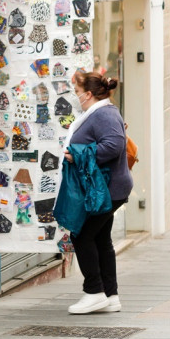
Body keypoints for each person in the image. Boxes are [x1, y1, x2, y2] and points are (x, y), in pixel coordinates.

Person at [63, 72, 133, 314]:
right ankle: (110, 295)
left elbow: (113, 145)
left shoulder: (104, 113)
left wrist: (77, 154)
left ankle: (94, 291)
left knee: (81, 235)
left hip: (107, 189)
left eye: (77, 92)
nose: (76, 96)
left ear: (89, 94)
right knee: (101, 238)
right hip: (105, 188)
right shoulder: (101, 112)